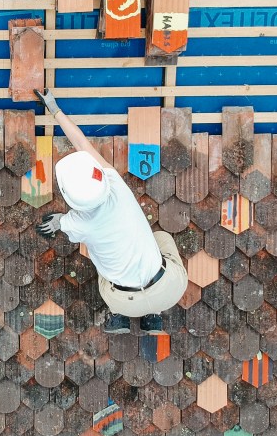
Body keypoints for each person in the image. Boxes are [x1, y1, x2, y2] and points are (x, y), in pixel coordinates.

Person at [33, 88, 188, 334]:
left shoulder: (79, 224)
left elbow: (58, 223)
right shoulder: (116, 185)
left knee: (97, 258)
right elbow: (82, 144)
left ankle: (119, 316)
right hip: (170, 290)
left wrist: (57, 221)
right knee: (162, 237)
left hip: (124, 301)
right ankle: (153, 318)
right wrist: (55, 109)